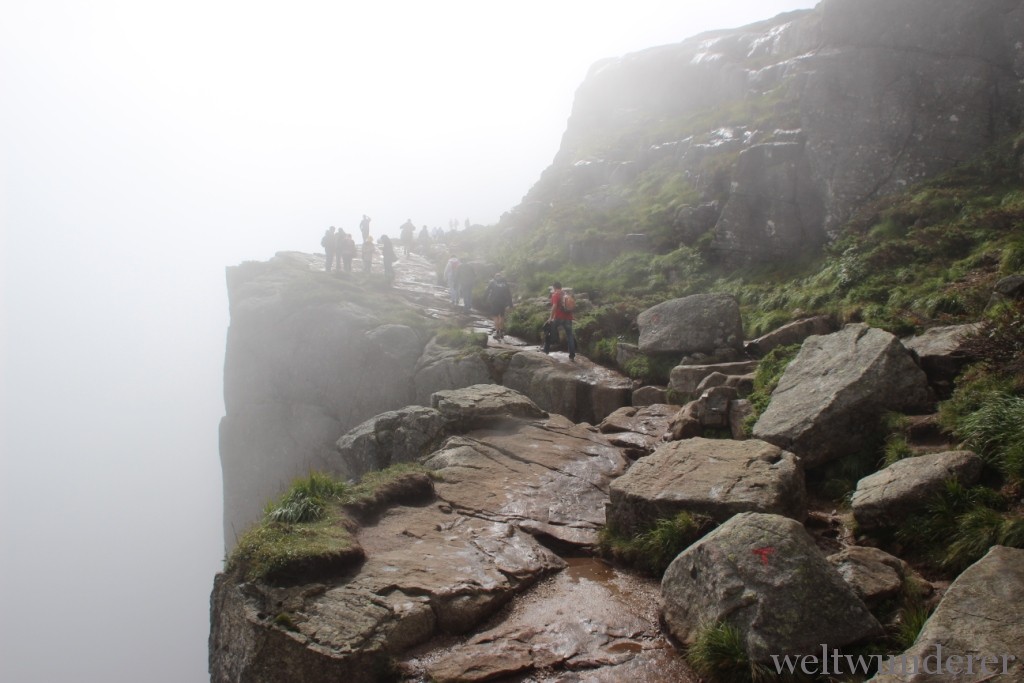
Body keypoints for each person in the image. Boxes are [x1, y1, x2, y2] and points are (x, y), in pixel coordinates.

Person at [543, 281, 576, 361]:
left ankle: (546, 351)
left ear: (554, 287)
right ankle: (572, 355)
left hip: (558, 318)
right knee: (570, 336)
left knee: (548, 331)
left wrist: (550, 318)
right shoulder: (566, 294)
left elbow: (554, 306)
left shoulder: (555, 295)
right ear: (561, 287)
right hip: (568, 318)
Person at [484, 272, 513, 340]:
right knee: (502, 316)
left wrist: (484, 299)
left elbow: (487, 291)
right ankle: (501, 330)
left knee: (495, 317)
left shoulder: (492, 282)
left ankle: (497, 331)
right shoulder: (505, 283)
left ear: (495, 277)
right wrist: (510, 304)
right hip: (503, 302)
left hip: (494, 302)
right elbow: (509, 294)